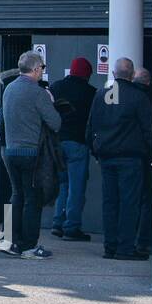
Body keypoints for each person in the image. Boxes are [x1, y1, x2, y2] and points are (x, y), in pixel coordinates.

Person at [87, 58, 152, 261]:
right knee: (129, 203)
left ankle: (110, 246)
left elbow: (91, 126)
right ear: (132, 74)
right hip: (131, 158)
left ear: (114, 74)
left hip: (107, 156)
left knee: (110, 203)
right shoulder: (139, 97)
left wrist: (95, 151)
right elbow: (148, 129)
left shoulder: (101, 94)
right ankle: (125, 247)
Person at [0, 50, 62, 258]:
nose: (42, 71)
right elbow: (55, 122)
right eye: (42, 67)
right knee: (32, 199)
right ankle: (29, 246)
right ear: (35, 69)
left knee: (17, 195)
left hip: (10, 151)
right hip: (31, 153)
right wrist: (50, 101)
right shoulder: (38, 93)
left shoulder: (9, 89)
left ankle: (12, 242)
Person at [49, 57, 97, 241]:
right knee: (76, 187)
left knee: (62, 184)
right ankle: (71, 227)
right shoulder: (91, 92)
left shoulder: (56, 87)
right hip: (78, 143)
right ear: (86, 74)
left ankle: (57, 222)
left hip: (58, 141)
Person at [131, 67, 152, 255]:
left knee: (128, 199)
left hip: (121, 154)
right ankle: (143, 240)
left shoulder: (119, 95)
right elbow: (149, 129)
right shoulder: (150, 98)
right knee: (148, 199)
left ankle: (124, 240)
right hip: (144, 155)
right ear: (148, 82)